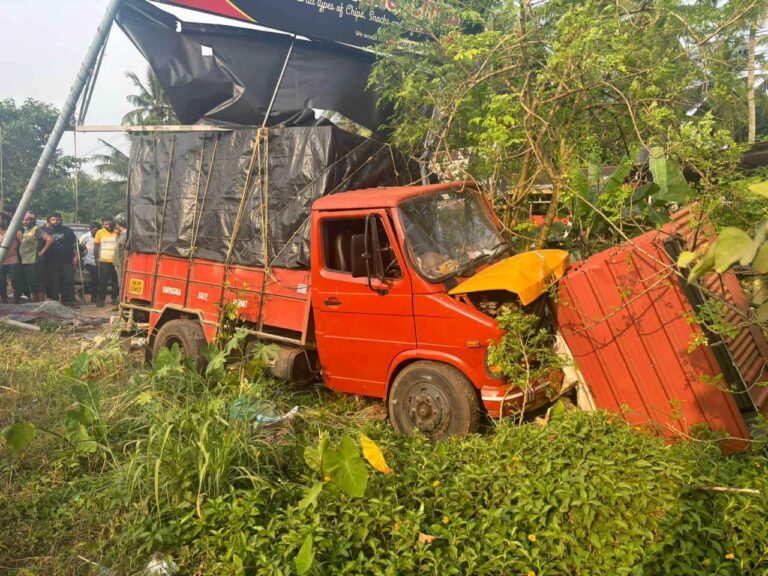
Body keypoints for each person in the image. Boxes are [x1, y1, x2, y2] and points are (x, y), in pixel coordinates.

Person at [41, 212, 78, 305]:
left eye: (58, 219)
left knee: (68, 281)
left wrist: (76, 256)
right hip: (50, 261)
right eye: (53, 219)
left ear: (61, 220)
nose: (56, 221)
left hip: (67, 260)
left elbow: (74, 245)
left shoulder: (68, 231)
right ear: (49, 220)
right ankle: (54, 301)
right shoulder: (44, 231)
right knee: (53, 281)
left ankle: (69, 300)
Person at [19, 211, 53, 303]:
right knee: (31, 283)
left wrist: (42, 251)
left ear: (32, 220)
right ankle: (35, 303)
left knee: (38, 283)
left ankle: (40, 303)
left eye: (27, 220)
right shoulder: (25, 230)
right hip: (26, 260)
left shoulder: (36, 229)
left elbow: (49, 239)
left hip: (35, 260)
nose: (25, 222)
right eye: (24, 220)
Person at [93, 216, 119, 307]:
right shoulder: (99, 233)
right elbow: (96, 246)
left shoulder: (117, 232)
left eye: (109, 223)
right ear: (103, 224)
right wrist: (96, 259)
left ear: (113, 223)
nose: (108, 225)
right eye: (106, 224)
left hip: (116, 261)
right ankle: (101, 300)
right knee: (103, 280)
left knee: (115, 280)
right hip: (104, 260)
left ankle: (114, 298)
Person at [0, 212, 24, 304]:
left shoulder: (15, 232)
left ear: (7, 220)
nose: (0, 221)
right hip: (1, 261)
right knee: (1, 283)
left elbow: (23, 244)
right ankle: (4, 302)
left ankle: (16, 302)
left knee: (15, 281)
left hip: (13, 261)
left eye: (2, 219)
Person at [79, 222, 100, 304]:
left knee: (97, 280)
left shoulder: (100, 236)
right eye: (95, 230)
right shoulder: (85, 237)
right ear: (91, 229)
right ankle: (83, 292)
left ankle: (94, 298)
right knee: (94, 278)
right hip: (88, 261)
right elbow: (79, 247)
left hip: (99, 261)